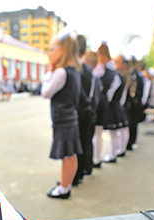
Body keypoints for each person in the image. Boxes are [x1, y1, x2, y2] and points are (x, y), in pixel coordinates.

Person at [41, 28, 82, 199]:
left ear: (63, 50)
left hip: (63, 120)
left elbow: (45, 92)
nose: (49, 53)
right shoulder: (74, 70)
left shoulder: (60, 72)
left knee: (67, 156)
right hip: (70, 118)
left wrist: (49, 71)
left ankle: (64, 189)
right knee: (70, 155)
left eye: (52, 49)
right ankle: (66, 184)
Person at [73, 35, 99, 185]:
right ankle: (83, 171)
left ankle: (74, 178)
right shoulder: (90, 71)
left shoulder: (76, 69)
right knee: (86, 142)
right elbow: (95, 94)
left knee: (77, 146)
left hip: (79, 112)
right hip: (89, 113)